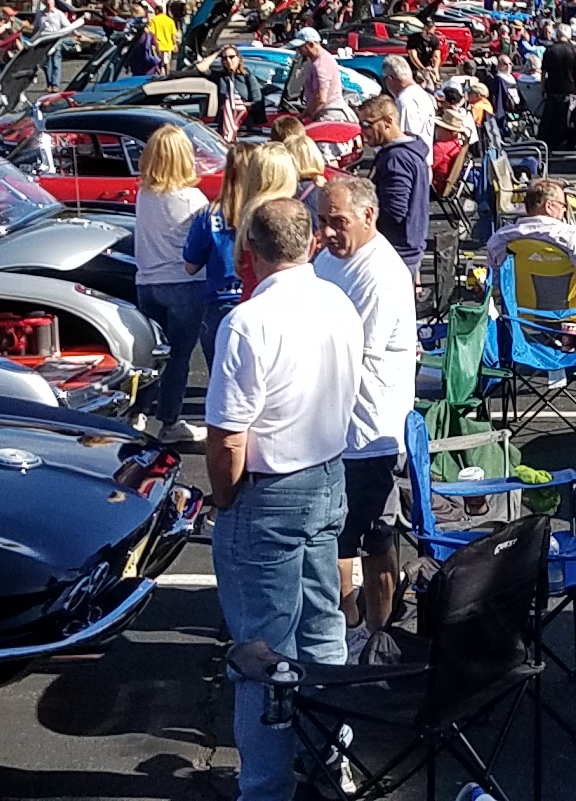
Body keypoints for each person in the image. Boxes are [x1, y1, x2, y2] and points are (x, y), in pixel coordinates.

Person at [206, 197, 364, 801]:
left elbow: (227, 436)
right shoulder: (337, 300)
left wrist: (225, 500)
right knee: (324, 631)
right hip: (328, 477)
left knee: (262, 652)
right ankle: (332, 760)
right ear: (312, 243)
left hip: (270, 490)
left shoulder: (249, 321)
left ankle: (267, 789)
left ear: (251, 250)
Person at [310, 176, 416, 657]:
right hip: (339, 430)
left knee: (356, 542)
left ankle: (364, 631)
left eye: (338, 222)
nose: (329, 232)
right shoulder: (330, 259)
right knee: (352, 540)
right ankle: (365, 628)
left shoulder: (378, 274)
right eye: (322, 222)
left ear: (368, 216)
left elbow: (351, 356)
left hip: (370, 433)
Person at [135, 126, 213, 442]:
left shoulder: (144, 194)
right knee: (179, 356)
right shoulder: (193, 199)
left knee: (151, 353)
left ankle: (137, 412)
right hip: (184, 282)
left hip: (147, 281)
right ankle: (169, 421)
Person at [484, 178, 576, 337]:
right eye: (563, 205)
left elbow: (494, 282)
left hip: (523, 315)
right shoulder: (570, 237)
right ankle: (569, 339)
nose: (564, 210)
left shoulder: (502, 238)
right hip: (572, 315)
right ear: (549, 206)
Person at [188, 144, 301, 326]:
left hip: (234, 300)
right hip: (269, 307)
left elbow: (191, 264)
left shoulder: (225, 213)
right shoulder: (279, 215)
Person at [356, 94, 430, 275]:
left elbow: (394, 212)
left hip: (396, 252)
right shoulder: (408, 151)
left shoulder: (396, 158)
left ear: (388, 121)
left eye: (367, 124)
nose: (363, 131)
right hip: (408, 247)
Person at [290, 28, 352, 126]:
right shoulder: (321, 59)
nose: (298, 50)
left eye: (301, 47)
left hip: (329, 115)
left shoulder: (320, 64)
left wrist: (306, 116)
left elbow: (321, 98)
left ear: (311, 44)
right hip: (329, 112)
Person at [538, 24, 576, 148]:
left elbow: (543, 71)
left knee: (551, 117)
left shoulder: (550, 50)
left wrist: (542, 86)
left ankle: (549, 141)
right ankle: (568, 141)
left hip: (552, 88)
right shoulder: (574, 50)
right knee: (568, 117)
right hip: (569, 88)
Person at [207, 44, 256, 141]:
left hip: (244, 126)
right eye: (225, 58)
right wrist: (217, 53)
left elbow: (257, 100)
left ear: (238, 58)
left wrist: (239, 105)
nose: (228, 61)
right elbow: (201, 68)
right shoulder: (220, 76)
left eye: (232, 57)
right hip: (223, 125)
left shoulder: (247, 76)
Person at [382, 56, 436, 144]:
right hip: (424, 155)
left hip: (410, 156)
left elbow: (406, 138)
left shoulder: (405, 100)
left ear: (390, 78)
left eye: (384, 79)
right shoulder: (424, 95)